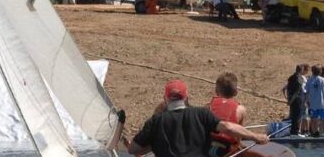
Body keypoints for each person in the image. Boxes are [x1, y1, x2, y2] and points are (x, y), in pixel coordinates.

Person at [128, 80, 268, 157]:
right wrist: (256, 136)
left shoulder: (155, 121)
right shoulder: (201, 113)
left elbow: (133, 149)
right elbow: (228, 127)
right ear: (186, 98)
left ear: (165, 99)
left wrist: (157, 143)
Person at [208, 73, 249, 156]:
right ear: (236, 92)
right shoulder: (241, 109)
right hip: (227, 149)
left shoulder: (209, 107)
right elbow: (239, 135)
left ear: (216, 91)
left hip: (208, 146)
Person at [305, 65, 324, 136]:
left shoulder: (309, 80)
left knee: (313, 118)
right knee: (323, 119)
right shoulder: (323, 80)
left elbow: (306, 92)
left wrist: (307, 101)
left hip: (313, 104)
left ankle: (315, 132)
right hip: (322, 103)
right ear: (320, 71)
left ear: (312, 71)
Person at [284, 65, 305, 136]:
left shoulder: (290, 78)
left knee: (293, 116)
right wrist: (291, 100)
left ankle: (293, 131)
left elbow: (287, 89)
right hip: (298, 100)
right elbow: (297, 92)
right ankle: (296, 132)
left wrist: (288, 99)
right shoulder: (299, 78)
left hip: (292, 99)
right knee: (298, 116)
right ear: (301, 70)